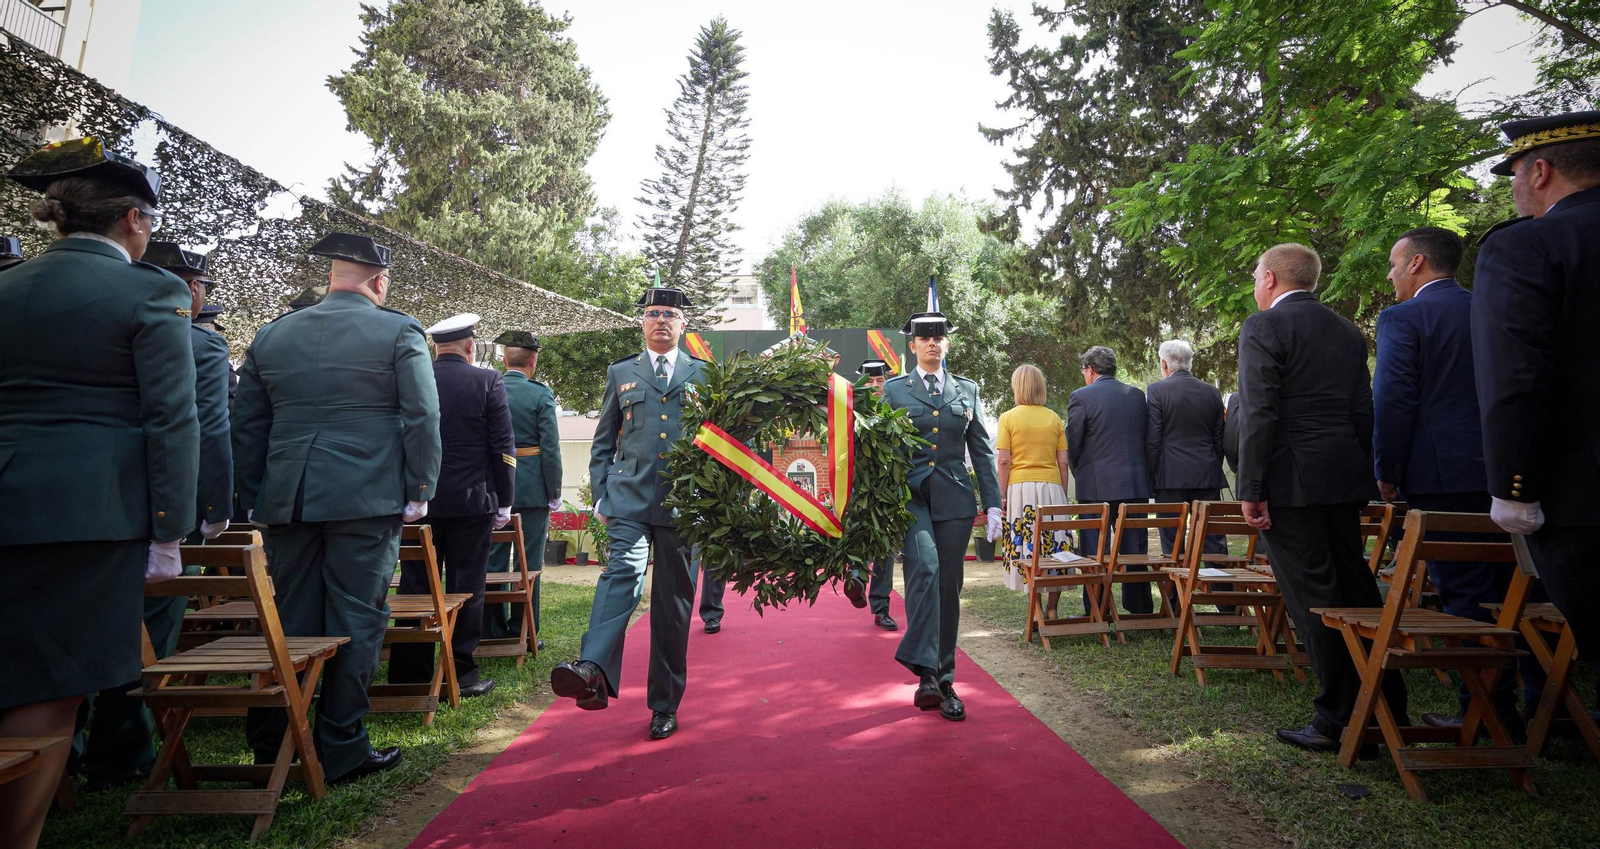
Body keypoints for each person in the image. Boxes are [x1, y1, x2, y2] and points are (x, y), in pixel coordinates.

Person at [0, 137, 198, 849]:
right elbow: (172, 418)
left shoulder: (7, 284)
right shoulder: (150, 290)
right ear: (136, 221)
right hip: (85, 515)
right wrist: (169, 531)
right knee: (51, 691)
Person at [234, 231, 441, 784]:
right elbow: (422, 415)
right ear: (379, 281)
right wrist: (419, 488)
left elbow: (247, 428)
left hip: (288, 498)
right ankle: (341, 746)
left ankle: (274, 739)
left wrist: (260, 494)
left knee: (288, 620)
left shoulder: (272, 334)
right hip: (365, 496)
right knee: (359, 618)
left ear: (332, 277)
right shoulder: (399, 329)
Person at [1236, 242, 1409, 753]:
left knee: (1313, 599)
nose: (1254, 285)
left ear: (1269, 280)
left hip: (1291, 480)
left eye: (1254, 276)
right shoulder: (1346, 330)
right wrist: (1368, 472)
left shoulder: (1263, 327)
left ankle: (1338, 717)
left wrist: (1250, 488)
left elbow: (1259, 413)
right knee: (1356, 589)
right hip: (1343, 476)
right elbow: (1363, 409)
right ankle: (1386, 705)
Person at [74, 241, 234, 792]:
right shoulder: (201, 346)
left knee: (66, 625)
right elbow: (208, 432)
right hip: (158, 504)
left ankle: (63, 753)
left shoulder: (86, 321)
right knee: (148, 631)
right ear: (190, 289)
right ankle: (120, 754)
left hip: (73, 500)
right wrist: (214, 512)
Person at [1374, 226, 1532, 733]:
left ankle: (1483, 713)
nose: (1391, 274)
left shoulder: (1405, 317)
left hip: (1442, 478)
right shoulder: (1497, 308)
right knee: (1518, 593)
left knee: (1462, 599)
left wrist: (1387, 471)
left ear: (1418, 263)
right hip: (1512, 472)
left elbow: (1394, 400)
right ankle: (1539, 706)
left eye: (1396, 264)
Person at [1472, 111, 1600, 712]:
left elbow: (1517, 376)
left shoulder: (1530, 244)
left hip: (1584, 491)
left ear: (1541, 170)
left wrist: (1514, 487)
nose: (1515, 188)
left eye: (1515, 174)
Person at [550, 286, 708, 741]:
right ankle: (592, 670)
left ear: (683, 324)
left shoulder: (703, 374)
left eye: (670, 314)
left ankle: (665, 705)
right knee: (623, 571)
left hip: (684, 505)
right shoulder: (621, 372)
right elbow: (603, 441)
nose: (661, 320)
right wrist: (601, 494)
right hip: (628, 500)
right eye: (653, 313)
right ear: (642, 321)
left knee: (673, 605)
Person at [880, 312, 1002, 721]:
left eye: (939, 337)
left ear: (947, 344)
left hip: (955, 499)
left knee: (949, 587)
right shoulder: (895, 391)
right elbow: (880, 451)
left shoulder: (967, 390)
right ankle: (924, 672)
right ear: (911, 345)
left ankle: (943, 680)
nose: (933, 342)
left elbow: (982, 451)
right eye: (924, 337)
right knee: (926, 570)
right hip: (910, 499)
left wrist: (994, 503)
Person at [391, 314, 513, 700]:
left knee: (414, 587)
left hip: (416, 500)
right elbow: (502, 447)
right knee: (468, 586)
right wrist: (505, 500)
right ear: (470, 347)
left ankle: (410, 674)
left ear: (434, 347)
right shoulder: (488, 381)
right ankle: (460, 673)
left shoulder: (412, 379)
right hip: (471, 502)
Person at [485, 330, 563, 651]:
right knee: (529, 563)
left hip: (493, 487)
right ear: (533, 361)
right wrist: (554, 489)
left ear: (504, 360)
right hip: (531, 490)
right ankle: (524, 629)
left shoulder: (489, 387)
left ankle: (490, 629)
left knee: (493, 560)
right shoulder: (540, 395)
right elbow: (550, 448)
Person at [1067, 346, 1153, 613]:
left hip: (1095, 485)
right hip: (1134, 483)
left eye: (1084, 370)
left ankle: (1096, 609)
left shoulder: (1081, 397)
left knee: (1095, 550)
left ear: (1090, 370)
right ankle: (1139, 607)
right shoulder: (1137, 396)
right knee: (1134, 548)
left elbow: (1074, 441)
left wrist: (1079, 469)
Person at [995, 365, 1071, 612]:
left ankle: (1035, 608)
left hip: (1020, 489)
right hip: (1052, 488)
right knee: (1056, 544)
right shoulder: (1054, 418)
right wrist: (1063, 493)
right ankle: (1052, 608)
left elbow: (1004, 461)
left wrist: (1001, 494)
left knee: (1026, 546)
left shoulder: (1008, 418)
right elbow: (1063, 462)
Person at [1145, 339, 1228, 563]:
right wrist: (1212, 463)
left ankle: (1175, 597)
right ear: (1189, 362)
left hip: (1169, 476)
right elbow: (1219, 437)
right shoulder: (1212, 392)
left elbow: (1153, 437)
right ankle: (1223, 595)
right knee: (1213, 539)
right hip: (1207, 474)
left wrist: (1151, 475)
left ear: (1164, 364)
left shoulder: (1156, 390)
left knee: (1172, 544)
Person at [842, 359, 898, 630]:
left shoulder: (899, 409)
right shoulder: (849, 410)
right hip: (857, 488)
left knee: (885, 549)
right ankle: (856, 580)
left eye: (880, 381)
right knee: (858, 536)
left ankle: (881, 607)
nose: (875, 386)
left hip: (888, 489)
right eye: (871, 381)